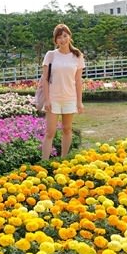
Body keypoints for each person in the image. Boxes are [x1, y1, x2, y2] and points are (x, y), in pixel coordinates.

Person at [40, 23, 85, 160]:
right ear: (55, 40)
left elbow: (78, 81)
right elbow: (45, 79)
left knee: (67, 129)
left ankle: (64, 160)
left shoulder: (77, 55)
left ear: (70, 36)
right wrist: (47, 100)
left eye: (65, 36)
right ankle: (44, 163)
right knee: (50, 132)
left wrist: (79, 102)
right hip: (53, 98)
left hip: (69, 98)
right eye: (59, 37)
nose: (62, 40)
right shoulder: (51, 55)